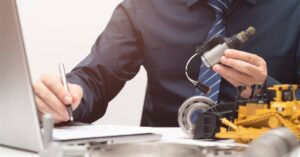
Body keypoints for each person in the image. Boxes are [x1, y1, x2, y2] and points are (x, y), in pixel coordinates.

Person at [33, 0, 300, 126]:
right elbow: (95, 79)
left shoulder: (293, 9)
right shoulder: (145, 6)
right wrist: (69, 96)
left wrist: (263, 90)